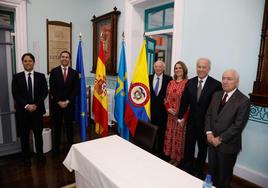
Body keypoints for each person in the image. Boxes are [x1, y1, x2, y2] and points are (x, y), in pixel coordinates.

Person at [205, 69, 250, 188]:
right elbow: (209, 114)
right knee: (211, 172)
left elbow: (238, 125)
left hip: (228, 146)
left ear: (237, 82)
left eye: (229, 79)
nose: (225, 81)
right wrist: (209, 133)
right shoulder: (216, 95)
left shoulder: (243, 100)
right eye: (223, 78)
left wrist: (219, 139)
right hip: (211, 142)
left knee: (223, 177)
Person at [177, 58, 222, 178]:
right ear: (196, 67)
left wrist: (212, 127)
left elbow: (216, 108)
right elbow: (184, 101)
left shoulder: (216, 85)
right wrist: (180, 117)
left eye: (204, 67)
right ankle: (187, 169)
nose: (201, 69)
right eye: (199, 67)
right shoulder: (190, 82)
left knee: (202, 149)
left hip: (206, 125)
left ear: (209, 68)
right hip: (191, 122)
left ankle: (198, 171)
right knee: (188, 147)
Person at [12, 53, 48, 166]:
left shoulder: (41, 76)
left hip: (37, 111)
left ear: (34, 62)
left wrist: (35, 105)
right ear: (22, 62)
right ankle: (26, 157)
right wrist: (27, 105)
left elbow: (44, 92)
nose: (28, 63)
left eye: (30, 61)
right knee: (24, 136)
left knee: (38, 135)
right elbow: (15, 94)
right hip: (23, 112)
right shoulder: (16, 77)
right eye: (25, 61)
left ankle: (40, 155)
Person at [49, 51, 79, 155]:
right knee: (56, 126)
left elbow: (76, 89)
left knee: (69, 126)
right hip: (57, 105)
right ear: (60, 58)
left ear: (69, 59)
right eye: (63, 56)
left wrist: (67, 101)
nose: (65, 58)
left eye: (67, 57)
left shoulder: (74, 73)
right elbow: (52, 89)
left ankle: (70, 147)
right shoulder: (54, 71)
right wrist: (59, 101)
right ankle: (56, 148)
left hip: (69, 105)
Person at [163, 61, 188, 166]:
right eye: (176, 68)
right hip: (170, 115)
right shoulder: (171, 83)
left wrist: (184, 117)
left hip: (180, 117)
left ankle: (177, 159)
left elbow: (189, 103)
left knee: (178, 138)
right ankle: (171, 157)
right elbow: (166, 99)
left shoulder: (187, 83)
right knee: (170, 136)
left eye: (180, 68)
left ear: (184, 70)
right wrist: (168, 108)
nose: (178, 70)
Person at [149, 60, 172, 160]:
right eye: (156, 66)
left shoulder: (169, 79)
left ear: (163, 68)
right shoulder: (148, 78)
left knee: (162, 134)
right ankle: (151, 152)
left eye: (160, 67)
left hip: (163, 113)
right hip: (150, 112)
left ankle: (161, 155)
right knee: (151, 133)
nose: (157, 68)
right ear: (154, 68)